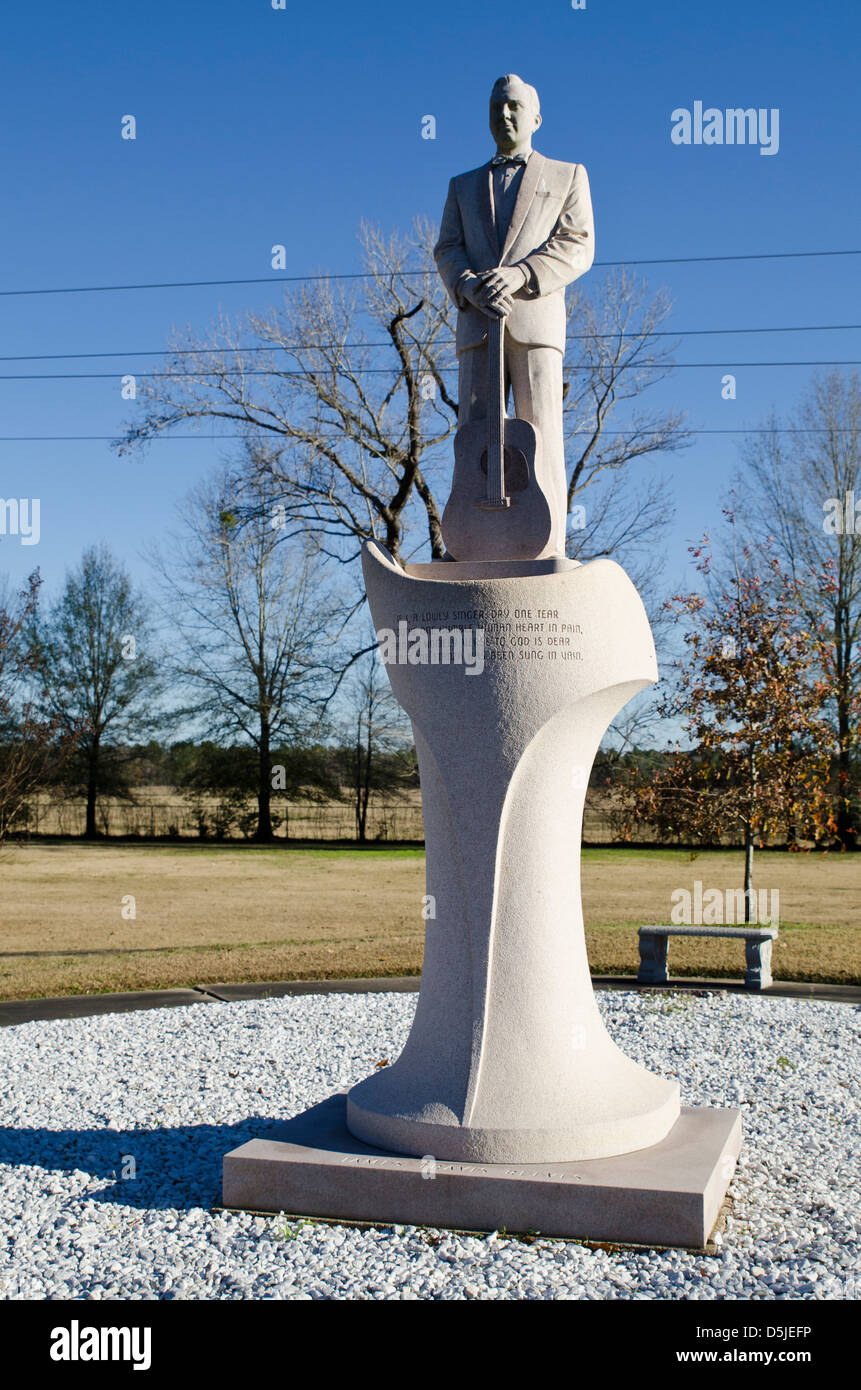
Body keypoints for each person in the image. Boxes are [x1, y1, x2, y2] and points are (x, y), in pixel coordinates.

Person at [434, 74, 594, 557]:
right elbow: (447, 248)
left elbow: (578, 244)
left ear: (536, 118)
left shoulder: (567, 175)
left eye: (515, 107)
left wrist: (523, 274)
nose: (505, 115)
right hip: (478, 326)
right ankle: (476, 542)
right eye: (497, 107)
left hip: (535, 326)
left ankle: (547, 547)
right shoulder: (461, 186)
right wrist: (467, 286)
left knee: (540, 430)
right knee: (475, 435)